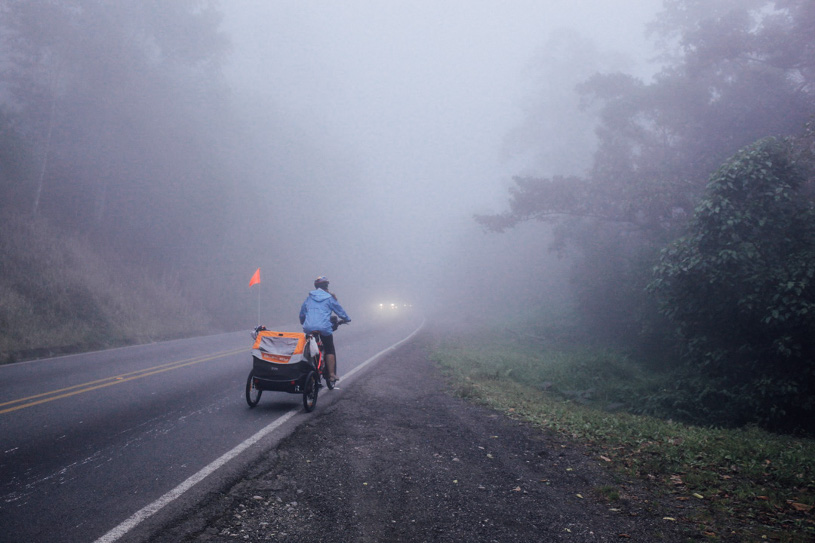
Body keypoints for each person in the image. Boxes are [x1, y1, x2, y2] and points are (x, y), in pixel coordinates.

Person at [299, 276, 351, 384]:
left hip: (308, 327)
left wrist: (303, 322)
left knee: (307, 346)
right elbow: (339, 310)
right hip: (323, 327)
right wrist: (346, 319)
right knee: (329, 348)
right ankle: (331, 374)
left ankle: (308, 367)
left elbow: (302, 313)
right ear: (326, 286)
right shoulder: (329, 298)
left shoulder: (309, 297)